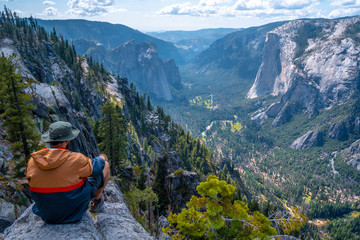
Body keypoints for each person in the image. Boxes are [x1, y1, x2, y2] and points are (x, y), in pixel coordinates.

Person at [26, 121, 110, 224]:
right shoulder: (76, 159)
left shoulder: (33, 161)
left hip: (47, 215)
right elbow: (97, 167)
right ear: (67, 141)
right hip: (73, 212)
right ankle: (96, 202)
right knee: (105, 166)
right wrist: (102, 157)